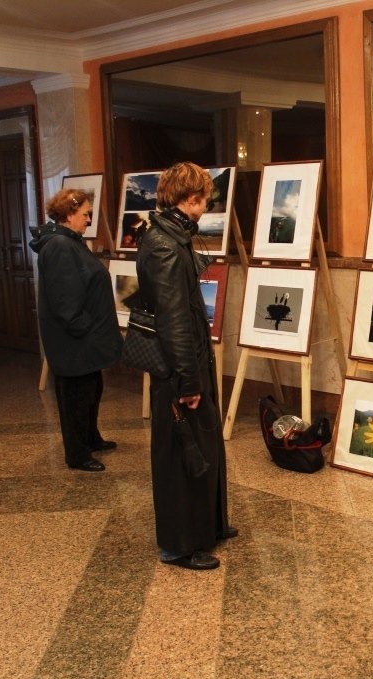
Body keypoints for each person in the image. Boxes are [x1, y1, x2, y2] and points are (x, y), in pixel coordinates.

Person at [136, 161, 236, 571]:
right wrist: (188, 382)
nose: (206, 207)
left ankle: (209, 526)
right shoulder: (164, 245)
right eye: (205, 200)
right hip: (179, 368)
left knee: (204, 443)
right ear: (191, 198)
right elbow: (173, 319)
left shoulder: (171, 235)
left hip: (189, 360)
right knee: (182, 454)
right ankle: (179, 545)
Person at [30, 189, 123, 472]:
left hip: (84, 340)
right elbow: (65, 300)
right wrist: (86, 328)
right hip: (74, 341)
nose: (89, 219)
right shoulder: (60, 246)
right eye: (85, 214)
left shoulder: (70, 242)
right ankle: (77, 453)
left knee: (90, 390)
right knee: (75, 398)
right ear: (69, 214)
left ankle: (90, 438)